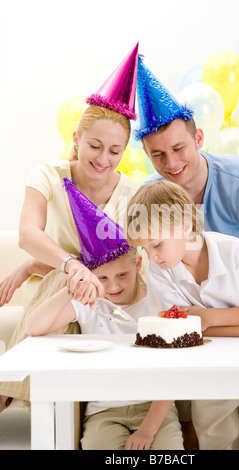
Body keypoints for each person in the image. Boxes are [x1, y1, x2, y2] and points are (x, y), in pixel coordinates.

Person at [0, 44, 141, 412]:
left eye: (115, 151)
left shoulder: (133, 195)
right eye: (94, 145)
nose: (102, 159)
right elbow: (29, 235)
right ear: (76, 139)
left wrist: (36, 265)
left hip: (103, 303)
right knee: (61, 284)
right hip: (57, 294)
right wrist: (70, 266)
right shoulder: (47, 176)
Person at [125, 180, 239, 449]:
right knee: (216, 440)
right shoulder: (160, 271)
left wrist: (210, 317)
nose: (151, 256)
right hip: (207, 373)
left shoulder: (234, 252)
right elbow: (185, 332)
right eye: (144, 249)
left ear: (184, 225)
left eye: (157, 244)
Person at [134, 55, 239, 326]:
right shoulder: (149, 197)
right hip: (198, 297)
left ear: (199, 138)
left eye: (178, 149)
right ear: (145, 153)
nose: (172, 164)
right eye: (158, 154)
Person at [25, 180, 184, 451]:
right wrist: (71, 288)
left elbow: (175, 372)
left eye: (122, 275)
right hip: (104, 411)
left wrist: (147, 430)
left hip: (155, 409)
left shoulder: (160, 299)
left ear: (139, 264)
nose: (113, 286)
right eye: (102, 278)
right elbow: (33, 327)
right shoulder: (91, 300)